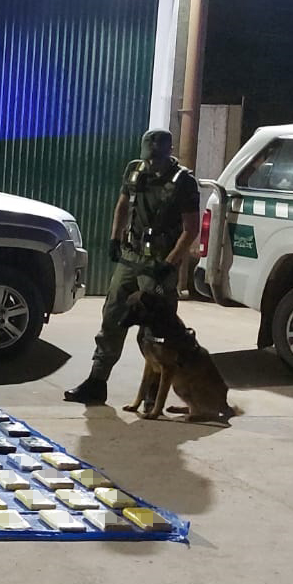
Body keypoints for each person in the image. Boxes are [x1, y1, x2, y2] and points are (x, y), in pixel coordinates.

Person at [64, 129, 201, 405]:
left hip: (159, 264)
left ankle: (153, 393)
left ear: (169, 152)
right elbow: (123, 205)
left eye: (157, 158)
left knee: (156, 330)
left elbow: (191, 229)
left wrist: (169, 264)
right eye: (148, 157)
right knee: (113, 315)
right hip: (131, 257)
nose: (151, 163)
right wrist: (115, 238)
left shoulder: (183, 182)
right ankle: (97, 381)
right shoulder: (135, 170)